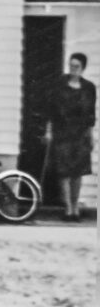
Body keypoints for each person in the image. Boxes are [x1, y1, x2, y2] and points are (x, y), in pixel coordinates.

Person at [44, 51, 96, 221]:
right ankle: (68, 209)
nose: (73, 69)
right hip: (62, 133)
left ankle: (75, 208)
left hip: (81, 134)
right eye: (71, 65)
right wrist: (49, 131)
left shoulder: (89, 88)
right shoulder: (60, 84)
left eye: (77, 66)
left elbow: (90, 115)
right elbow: (50, 110)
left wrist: (91, 136)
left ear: (83, 68)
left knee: (78, 172)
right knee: (64, 172)